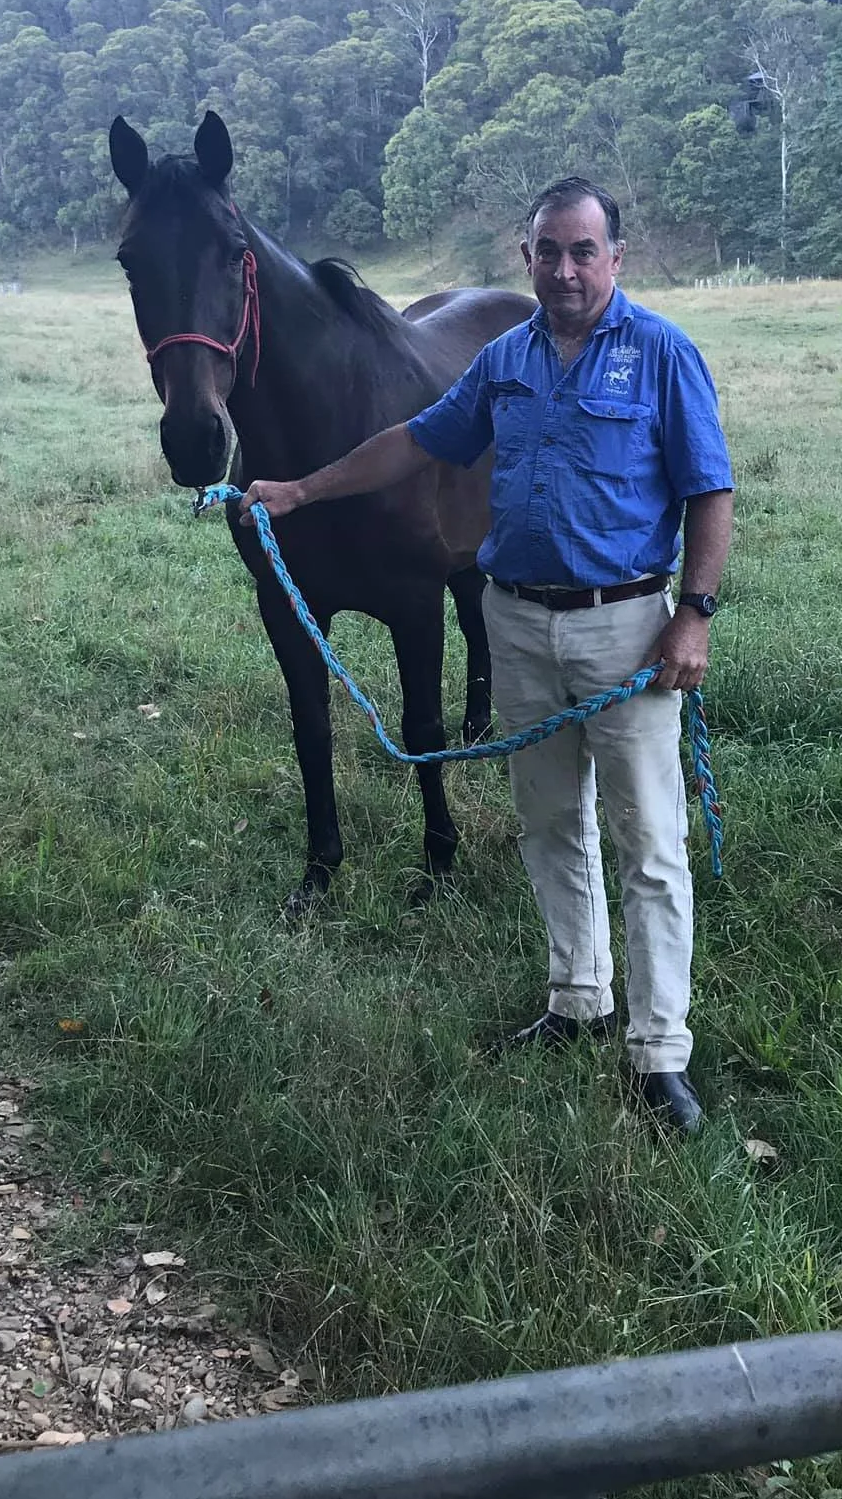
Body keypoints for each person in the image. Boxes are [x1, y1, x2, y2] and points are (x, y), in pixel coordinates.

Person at [239, 178, 734, 1133]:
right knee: (550, 826)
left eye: (584, 251)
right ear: (527, 260)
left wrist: (696, 614)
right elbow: (414, 444)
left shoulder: (663, 353)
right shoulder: (506, 360)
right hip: (516, 621)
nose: (565, 270)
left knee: (650, 847)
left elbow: (709, 489)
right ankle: (577, 998)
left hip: (626, 625)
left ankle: (660, 1051)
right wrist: (304, 489)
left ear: (615, 259)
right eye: (548, 252)